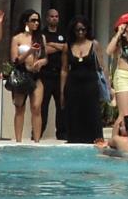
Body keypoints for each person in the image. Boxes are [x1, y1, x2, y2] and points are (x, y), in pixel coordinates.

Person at [61, 20, 105, 144]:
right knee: (74, 114)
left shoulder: (94, 45)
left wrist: (107, 87)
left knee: (93, 114)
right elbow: (64, 70)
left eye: (83, 29)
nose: (80, 32)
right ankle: (74, 140)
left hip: (90, 85)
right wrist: (62, 92)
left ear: (87, 30)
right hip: (73, 85)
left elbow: (102, 67)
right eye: (77, 30)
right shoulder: (67, 46)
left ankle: (95, 140)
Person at [34, 8, 68, 142]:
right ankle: (37, 133)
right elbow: (43, 50)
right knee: (43, 106)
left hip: (60, 74)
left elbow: (66, 48)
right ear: (47, 18)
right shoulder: (42, 34)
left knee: (62, 105)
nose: (54, 18)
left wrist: (52, 44)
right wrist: (58, 47)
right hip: (45, 74)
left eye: (56, 16)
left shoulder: (63, 33)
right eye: (52, 16)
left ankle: (62, 133)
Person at [8, 10, 43, 142]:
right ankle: (18, 140)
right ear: (26, 22)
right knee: (19, 107)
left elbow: (45, 57)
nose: (36, 23)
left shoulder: (40, 38)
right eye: (33, 20)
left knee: (36, 107)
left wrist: (41, 62)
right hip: (21, 74)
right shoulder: (17, 38)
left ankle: (37, 140)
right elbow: (15, 60)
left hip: (36, 74)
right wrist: (29, 51)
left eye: (37, 20)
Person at [106, 12, 128, 124]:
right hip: (123, 76)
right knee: (123, 115)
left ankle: (124, 135)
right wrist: (119, 33)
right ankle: (115, 135)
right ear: (125, 26)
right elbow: (108, 51)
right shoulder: (120, 41)